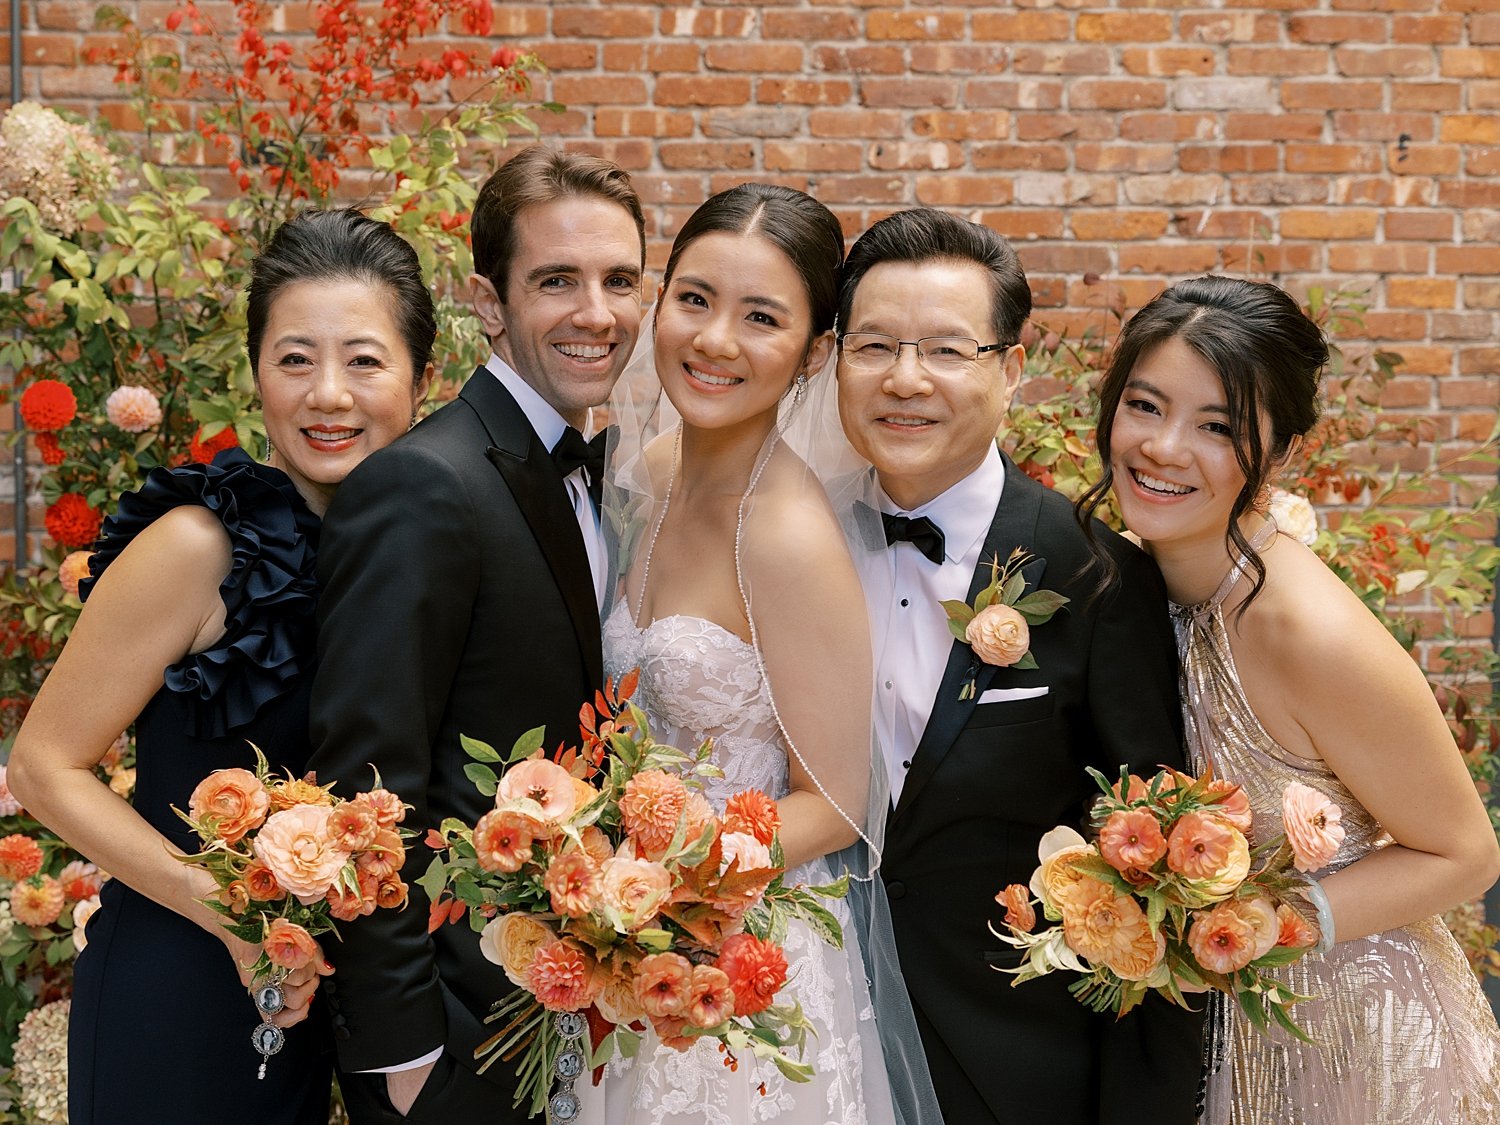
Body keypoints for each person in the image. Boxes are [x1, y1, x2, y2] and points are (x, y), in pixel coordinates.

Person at [7, 208, 436, 1123]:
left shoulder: (415, 553)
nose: (329, 393)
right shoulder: (197, 546)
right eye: (294, 359)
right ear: (255, 376)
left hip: (323, 1005)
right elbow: (44, 765)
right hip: (179, 992)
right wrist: (225, 911)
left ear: (420, 381)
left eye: (364, 360)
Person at [1078, 274, 1500, 1124]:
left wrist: (1254, 925)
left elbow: (1465, 853)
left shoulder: (1305, 629)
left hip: (1351, 1031)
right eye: (1145, 405)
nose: (1163, 447)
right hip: (1226, 1026)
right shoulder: (1132, 577)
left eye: (1216, 427)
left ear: (1285, 454)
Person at [834, 207, 1205, 1124]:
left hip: (1011, 1068)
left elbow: (1155, 878)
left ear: (1013, 366)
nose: (905, 379)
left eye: (947, 351)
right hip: (808, 1042)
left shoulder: (1099, 574)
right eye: (874, 345)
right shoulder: (789, 543)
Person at [305, 146, 645, 1123]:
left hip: (573, 1021)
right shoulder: (423, 486)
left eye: (619, 280)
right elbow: (364, 788)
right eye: (556, 282)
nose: (596, 312)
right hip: (455, 1050)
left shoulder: (619, 485)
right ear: (488, 302)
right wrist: (406, 1059)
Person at [590, 181, 938, 1125]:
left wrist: (664, 882)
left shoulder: (786, 532)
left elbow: (838, 803)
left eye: (761, 318)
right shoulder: (645, 471)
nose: (714, 340)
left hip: (738, 951)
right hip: (626, 940)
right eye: (695, 299)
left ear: (813, 351)